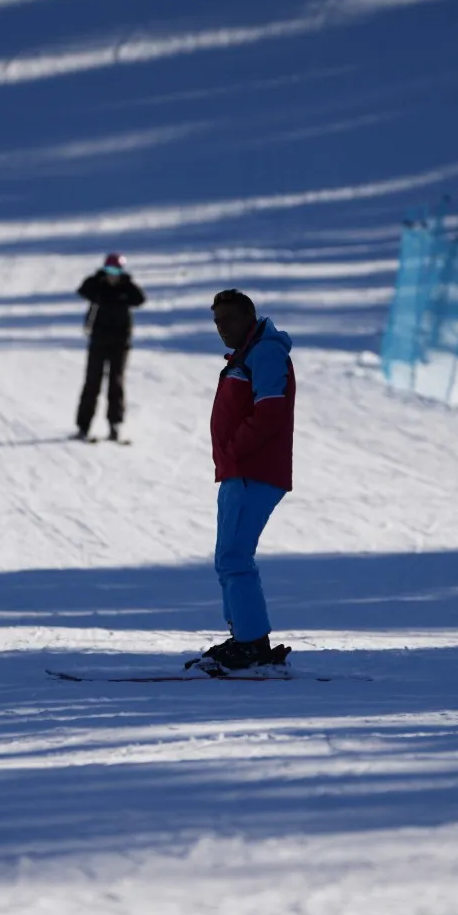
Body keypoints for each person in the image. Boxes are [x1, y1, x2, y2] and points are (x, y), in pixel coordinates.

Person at [188, 289, 296, 674]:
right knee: (228, 558)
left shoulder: (265, 352)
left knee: (235, 557)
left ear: (249, 317)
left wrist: (236, 448)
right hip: (239, 471)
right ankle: (245, 638)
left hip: (254, 470)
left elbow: (269, 411)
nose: (222, 328)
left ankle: (252, 645)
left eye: (229, 319)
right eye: (216, 321)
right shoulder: (248, 353)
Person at [74, 253, 146, 442]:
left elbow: (140, 299)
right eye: (109, 271)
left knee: (116, 383)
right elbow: (82, 290)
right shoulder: (98, 287)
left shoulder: (126, 289)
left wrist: (127, 281)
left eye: (117, 271)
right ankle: (83, 426)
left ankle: (115, 425)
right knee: (92, 383)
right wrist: (98, 277)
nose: (112, 275)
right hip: (98, 341)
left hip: (120, 344)